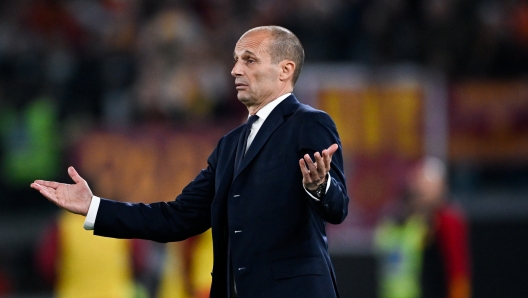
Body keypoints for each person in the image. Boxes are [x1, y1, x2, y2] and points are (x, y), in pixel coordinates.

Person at [31, 26, 349, 298]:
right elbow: (177, 218)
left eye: (249, 60)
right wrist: (94, 207)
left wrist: (320, 187)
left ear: (285, 70)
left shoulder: (308, 123)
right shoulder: (229, 146)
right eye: (236, 60)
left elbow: (338, 207)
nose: (236, 70)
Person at [374, 157, 471, 298]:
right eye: (420, 186)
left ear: (440, 188)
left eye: (427, 187)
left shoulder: (448, 220)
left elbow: (457, 269)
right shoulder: (413, 222)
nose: (421, 192)